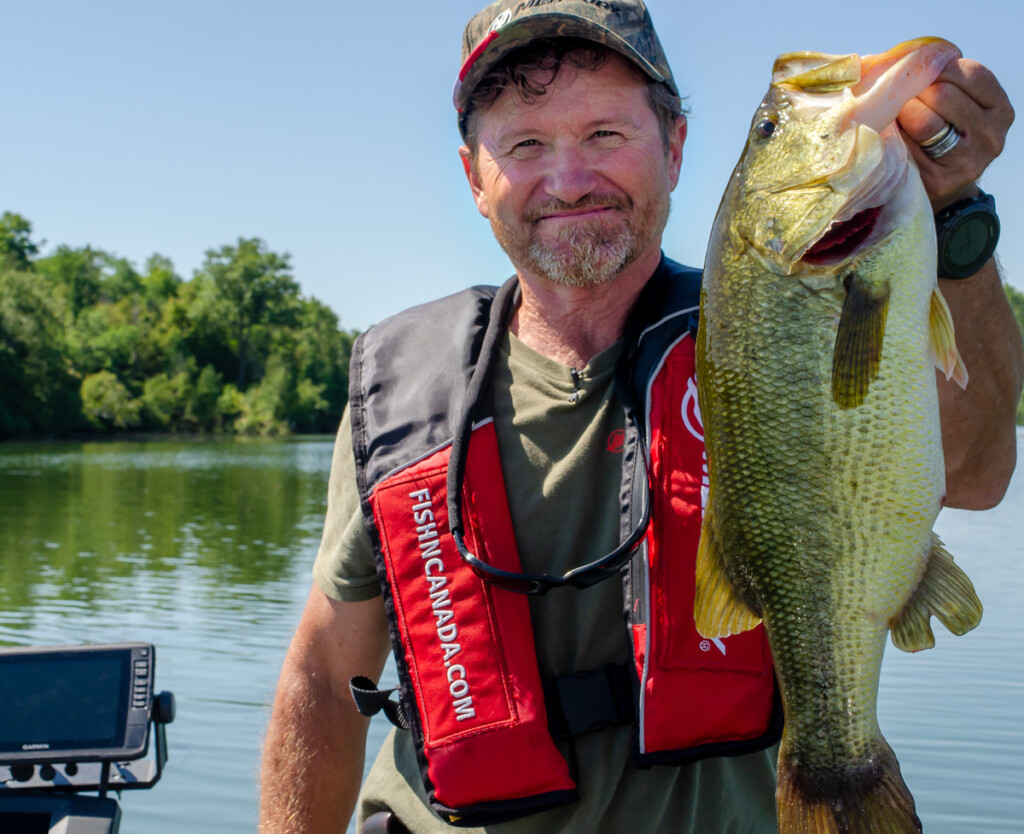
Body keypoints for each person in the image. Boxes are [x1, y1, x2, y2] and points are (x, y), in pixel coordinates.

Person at [259, 2, 1023, 832]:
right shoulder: (405, 391)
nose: (569, 178)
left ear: (676, 149)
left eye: (605, 135)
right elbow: (324, 682)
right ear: (475, 179)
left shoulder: (786, 313)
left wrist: (954, 214)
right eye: (524, 146)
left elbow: (980, 474)